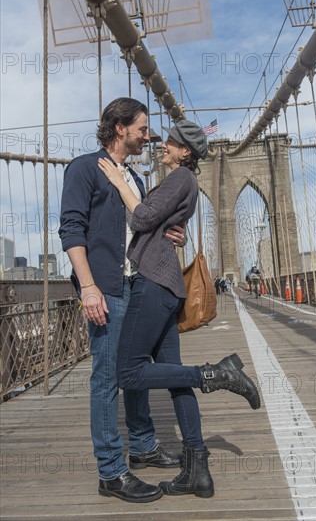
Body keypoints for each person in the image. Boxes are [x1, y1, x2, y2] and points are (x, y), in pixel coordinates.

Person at [98, 119, 261, 499]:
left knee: (128, 373)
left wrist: (120, 182)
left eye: (170, 142)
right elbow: (158, 221)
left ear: (185, 151)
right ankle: (196, 471)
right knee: (174, 378)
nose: (163, 145)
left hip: (153, 282)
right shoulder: (183, 181)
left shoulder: (180, 178)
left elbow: (141, 217)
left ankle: (214, 373)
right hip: (166, 281)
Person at [59, 97, 187, 504]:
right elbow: (71, 231)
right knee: (108, 376)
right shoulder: (84, 169)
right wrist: (89, 287)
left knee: (134, 370)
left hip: (139, 284)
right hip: (107, 287)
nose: (148, 136)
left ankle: (144, 447)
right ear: (120, 128)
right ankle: (112, 472)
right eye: (143, 128)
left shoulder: (135, 178)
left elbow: (141, 226)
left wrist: (172, 234)